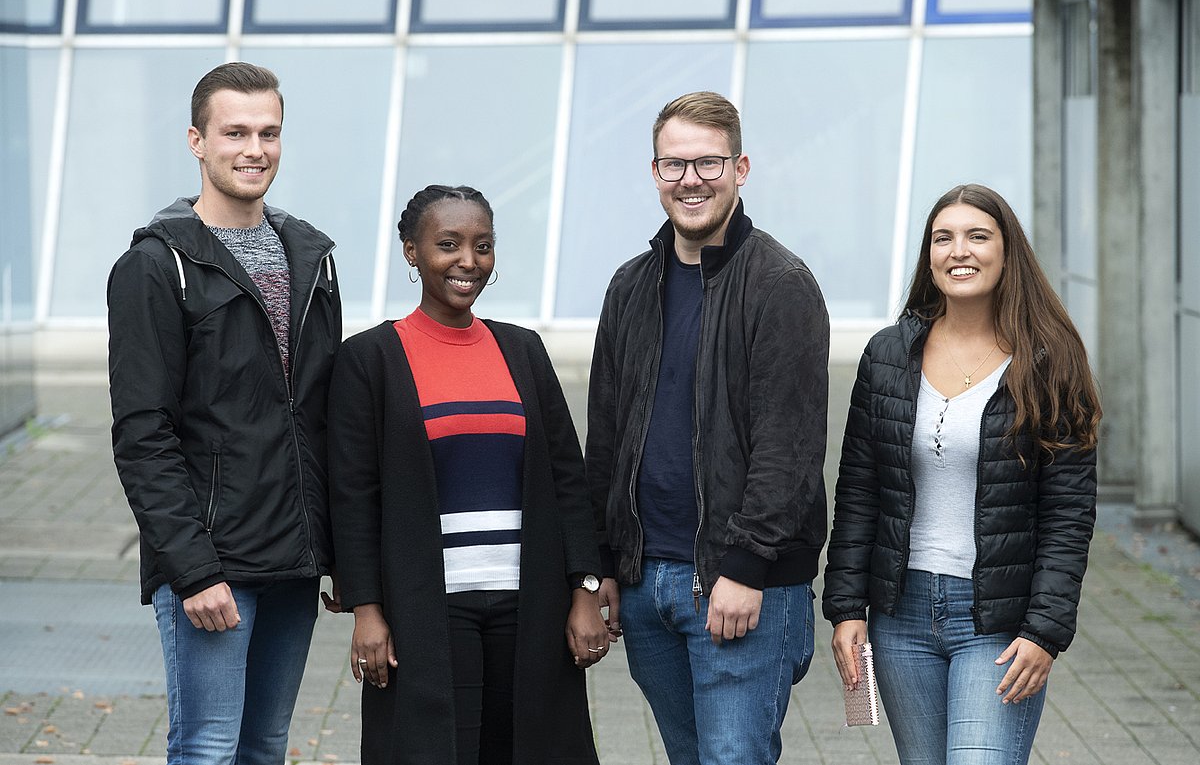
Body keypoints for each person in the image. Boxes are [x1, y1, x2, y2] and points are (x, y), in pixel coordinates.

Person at [585, 91, 830, 765]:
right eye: (674, 164)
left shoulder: (780, 284)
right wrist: (603, 563)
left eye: (708, 162)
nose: (690, 179)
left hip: (737, 584)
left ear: (741, 167)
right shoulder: (630, 287)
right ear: (655, 172)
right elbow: (604, 435)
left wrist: (746, 565)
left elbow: (792, 445)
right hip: (646, 586)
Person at [107, 61, 342, 764]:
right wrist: (193, 569)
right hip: (214, 560)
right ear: (196, 141)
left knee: (264, 746)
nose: (254, 149)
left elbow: (325, 415)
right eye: (235, 131)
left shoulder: (312, 256)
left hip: (294, 557)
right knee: (207, 746)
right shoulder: (157, 265)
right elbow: (141, 432)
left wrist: (336, 555)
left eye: (268, 132)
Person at [327, 185, 609, 765]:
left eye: (483, 246)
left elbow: (567, 478)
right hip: (425, 606)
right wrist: (367, 610)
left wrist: (584, 591)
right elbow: (353, 496)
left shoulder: (523, 350)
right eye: (448, 244)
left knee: (528, 749)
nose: (468, 262)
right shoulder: (371, 359)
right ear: (411, 252)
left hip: (530, 604)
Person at [822, 183, 1102, 765]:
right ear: (928, 255)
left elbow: (1068, 514)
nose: (959, 251)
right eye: (943, 238)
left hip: (997, 621)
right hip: (900, 616)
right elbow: (858, 495)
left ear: (1007, 253)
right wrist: (847, 610)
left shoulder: (1050, 359)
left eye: (978, 236)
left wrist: (1045, 630)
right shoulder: (888, 356)